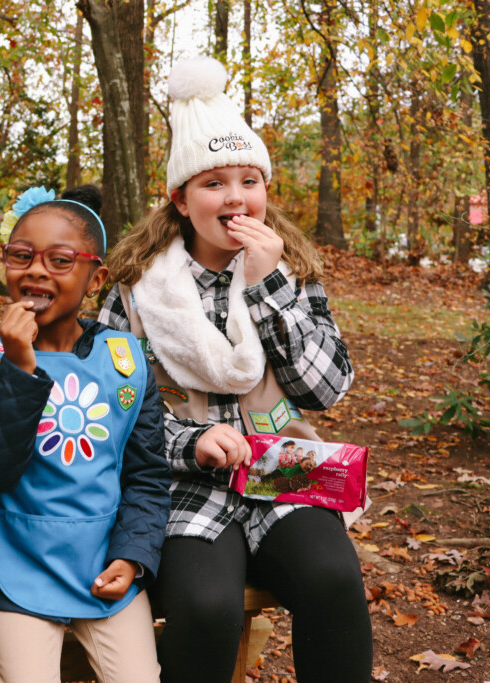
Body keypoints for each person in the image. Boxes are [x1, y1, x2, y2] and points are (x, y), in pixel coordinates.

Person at [97, 57, 371, 683]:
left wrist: (266, 286)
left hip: (284, 473)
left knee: (333, 579)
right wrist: (191, 442)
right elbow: (116, 406)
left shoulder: (289, 274)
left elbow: (325, 390)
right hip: (182, 488)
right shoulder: (137, 292)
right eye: (214, 182)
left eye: (250, 180)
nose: (236, 196)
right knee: (205, 606)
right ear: (181, 199)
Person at [0, 185, 171, 682]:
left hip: (104, 561)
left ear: (95, 278)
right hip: (16, 567)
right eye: (21, 256)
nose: (35, 270)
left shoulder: (126, 360)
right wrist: (19, 370)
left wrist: (133, 556)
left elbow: (147, 476)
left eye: (59, 259)